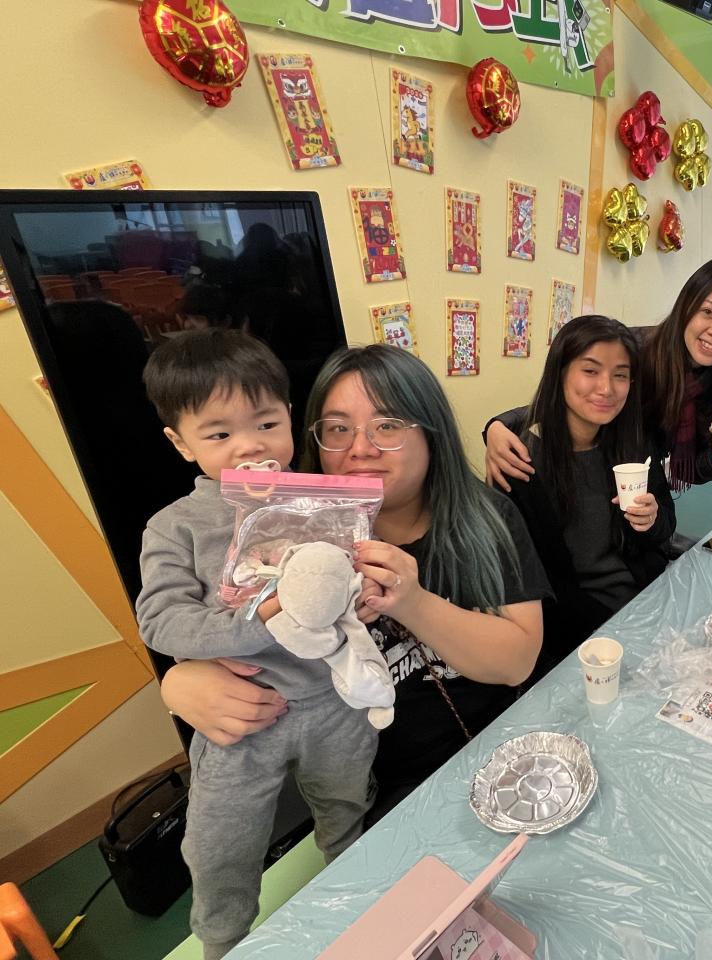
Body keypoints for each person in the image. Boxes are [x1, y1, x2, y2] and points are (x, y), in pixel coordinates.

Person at [158, 344, 552, 824]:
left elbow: (516, 662)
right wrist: (180, 680)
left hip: (494, 756)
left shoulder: (487, 519)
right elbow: (226, 620)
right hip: (368, 795)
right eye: (338, 429)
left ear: (431, 431)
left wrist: (412, 602)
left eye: (387, 426)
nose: (361, 448)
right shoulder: (278, 529)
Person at [135, 329, 380, 960]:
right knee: (219, 845)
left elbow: (351, 583)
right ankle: (222, 941)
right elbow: (160, 620)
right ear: (180, 443)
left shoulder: (324, 501)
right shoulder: (175, 526)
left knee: (348, 809)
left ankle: (360, 906)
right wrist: (260, 620)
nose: (250, 445)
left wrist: (366, 591)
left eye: (266, 423)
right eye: (219, 434)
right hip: (240, 716)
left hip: (335, 701)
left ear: (290, 419)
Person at [484, 257, 712, 494]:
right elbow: (570, 400)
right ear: (686, 307)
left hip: (642, 490)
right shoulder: (635, 351)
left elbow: (686, 471)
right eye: (708, 311)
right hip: (589, 475)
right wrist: (499, 425)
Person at [503, 315, 676, 679]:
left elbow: (664, 532)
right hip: (580, 634)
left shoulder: (634, 445)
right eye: (590, 371)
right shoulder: (521, 463)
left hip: (647, 604)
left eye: (620, 375)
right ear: (560, 373)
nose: (607, 388)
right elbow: (530, 587)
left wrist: (653, 520)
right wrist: (617, 632)